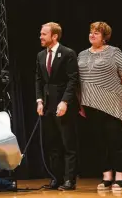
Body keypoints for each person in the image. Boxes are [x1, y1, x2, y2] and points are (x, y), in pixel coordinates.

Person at [78, 21, 122, 191]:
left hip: (112, 103)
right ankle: (106, 176)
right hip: (90, 104)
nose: (92, 35)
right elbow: (78, 81)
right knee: (98, 142)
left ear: (105, 37)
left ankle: (121, 175)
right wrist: (80, 103)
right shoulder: (82, 55)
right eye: (91, 32)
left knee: (116, 141)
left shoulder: (114, 52)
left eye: (96, 33)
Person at [35, 22, 79, 191]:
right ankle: (56, 178)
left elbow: (72, 79)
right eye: (41, 33)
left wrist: (65, 101)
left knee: (68, 143)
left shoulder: (67, 53)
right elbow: (38, 80)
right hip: (47, 105)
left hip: (63, 104)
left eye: (44, 34)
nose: (40, 37)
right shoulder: (40, 55)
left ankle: (69, 180)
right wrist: (39, 100)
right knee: (53, 143)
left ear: (54, 36)